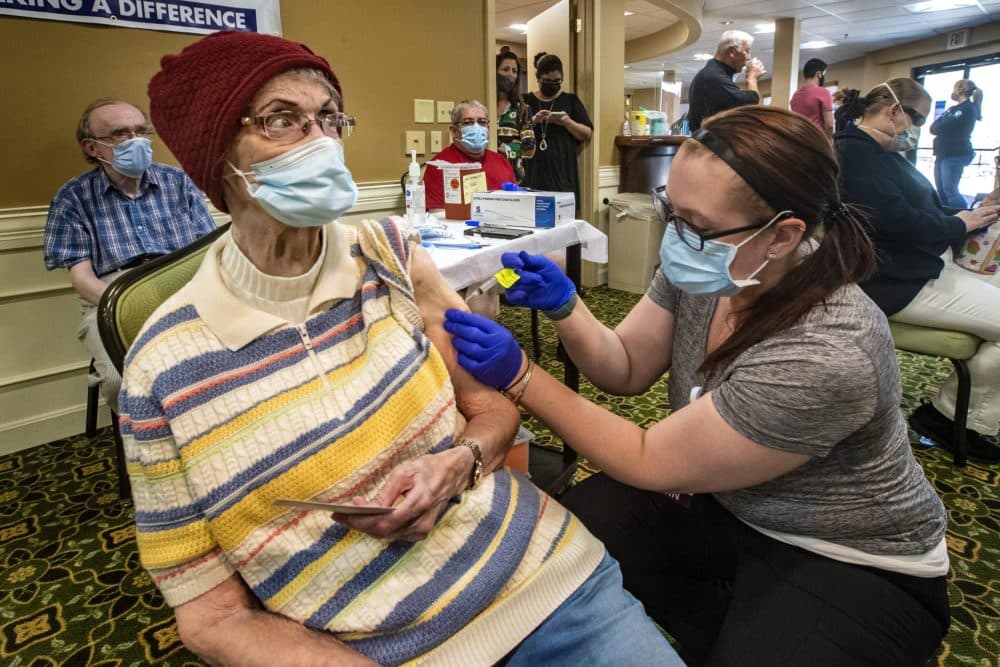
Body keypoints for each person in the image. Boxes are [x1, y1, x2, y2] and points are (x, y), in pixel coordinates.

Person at [124, 30, 680, 667]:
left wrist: (464, 461)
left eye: (330, 117)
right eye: (283, 120)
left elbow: (494, 413)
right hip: (384, 648)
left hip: (549, 584)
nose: (321, 141)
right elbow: (210, 617)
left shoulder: (390, 254)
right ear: (217, 158)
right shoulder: (162, 366)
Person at [445, 105, 951, 665]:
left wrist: (521, 376)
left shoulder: (828, 349)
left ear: (783, 234)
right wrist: (568, 307)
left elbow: (646, 458)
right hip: (732, 510)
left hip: (847, 554)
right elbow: (627, 368)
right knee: (564, 537)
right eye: (671, 209)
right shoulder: (717, 261)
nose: (676, 236)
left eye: (697, 225)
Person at [836, 78, 1000, 462]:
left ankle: (953, 413)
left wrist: (972, 215)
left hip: (919, 268)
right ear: (894, 111)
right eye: (919, 120)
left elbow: (921, 210)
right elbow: (894, 220)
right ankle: (950, 416)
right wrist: (960, 223)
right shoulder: (855, 154)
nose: (920, 130)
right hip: (892, 282)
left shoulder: (882, 155)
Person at [43, 98, 215, 411]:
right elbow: (82, 281)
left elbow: (209, 251)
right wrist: (135, 305)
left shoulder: (178, 182)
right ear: (92, 147)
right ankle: (145, 447)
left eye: (141, 131)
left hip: (185, 281)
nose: (134, 140)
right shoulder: (73, 199)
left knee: (228, 354)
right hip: (111, 294)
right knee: (122, 380)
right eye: (120, 134)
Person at [521, 53, 592, 205]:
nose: (553, 84)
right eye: (547, 81)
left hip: (562, 174)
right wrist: (533, 121)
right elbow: (514, 136)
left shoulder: (571, 100)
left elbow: (587, 133)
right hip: (532, 173)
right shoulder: (526, 101)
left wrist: (567, 122)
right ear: (538, 78)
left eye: (557, 81)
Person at [423, 100, 515, 210]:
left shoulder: (501, 162)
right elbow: (437, 214)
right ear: (453, 131)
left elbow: (515, 205)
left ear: (488, 128)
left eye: (482, 122)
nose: (476, 128)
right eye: (468, 122)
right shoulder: (439, 166)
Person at [687, 30, 765, 131]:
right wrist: (752, 78)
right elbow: (750, 107)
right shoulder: (714, 77)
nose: (748, 57)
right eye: (747, 51)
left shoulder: (712, 73)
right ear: (731, 52)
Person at [930, 79, 984, 209]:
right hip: (942, 154)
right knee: (941, 190)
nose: (952, 91)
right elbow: (933, 127)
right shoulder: (953, 109)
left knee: (950, 191)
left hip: (955, 154)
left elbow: (944, 126)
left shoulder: (968, 109)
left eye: (954, 88)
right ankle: (946, 217)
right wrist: (942, 124)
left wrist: (942, 124)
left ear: (960, 89)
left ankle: (963, 218)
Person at [496, 49, 535, 183]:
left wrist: (505, 148)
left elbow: (529, 147)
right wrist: (513, 142)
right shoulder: (483, 107)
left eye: (514, 71)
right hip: (485, 174)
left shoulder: (522, 109)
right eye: (505, 69)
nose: (510, 74)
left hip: (513, 177)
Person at [790, 58, 833, 138]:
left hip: (799, 140)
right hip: (817, 140)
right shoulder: (823, 92)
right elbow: (829, 124)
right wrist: (829, 142)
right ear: (819, 74)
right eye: (824, 74)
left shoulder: (795, 95)